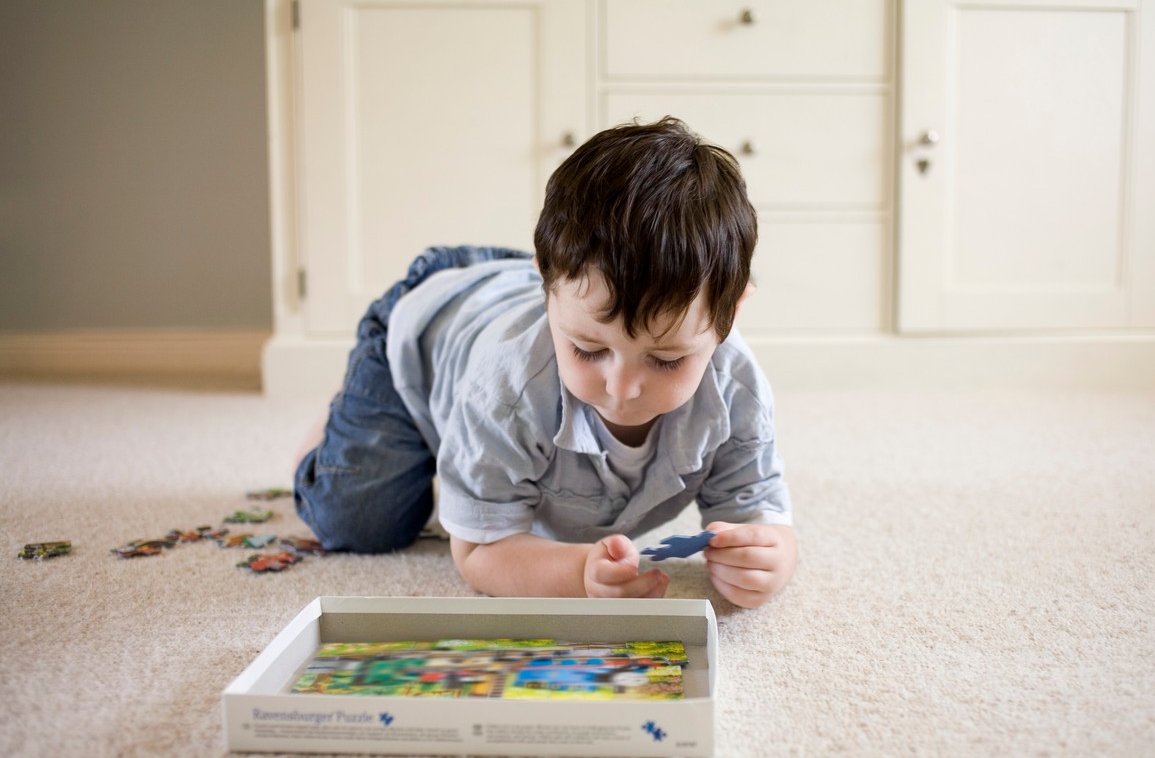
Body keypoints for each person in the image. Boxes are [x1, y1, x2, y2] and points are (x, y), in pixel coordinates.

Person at [294, 117, 797, 608]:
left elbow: (758, 515)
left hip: (533, 294)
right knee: (360, 520)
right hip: (426, 332)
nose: (622, 389)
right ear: (549, 291)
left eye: (665, 360)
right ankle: (334, 425)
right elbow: (477, 551)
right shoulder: (508, 387)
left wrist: (768, 556)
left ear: (728, 318)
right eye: (588, 350)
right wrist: (577, 573)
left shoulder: (737, 390)